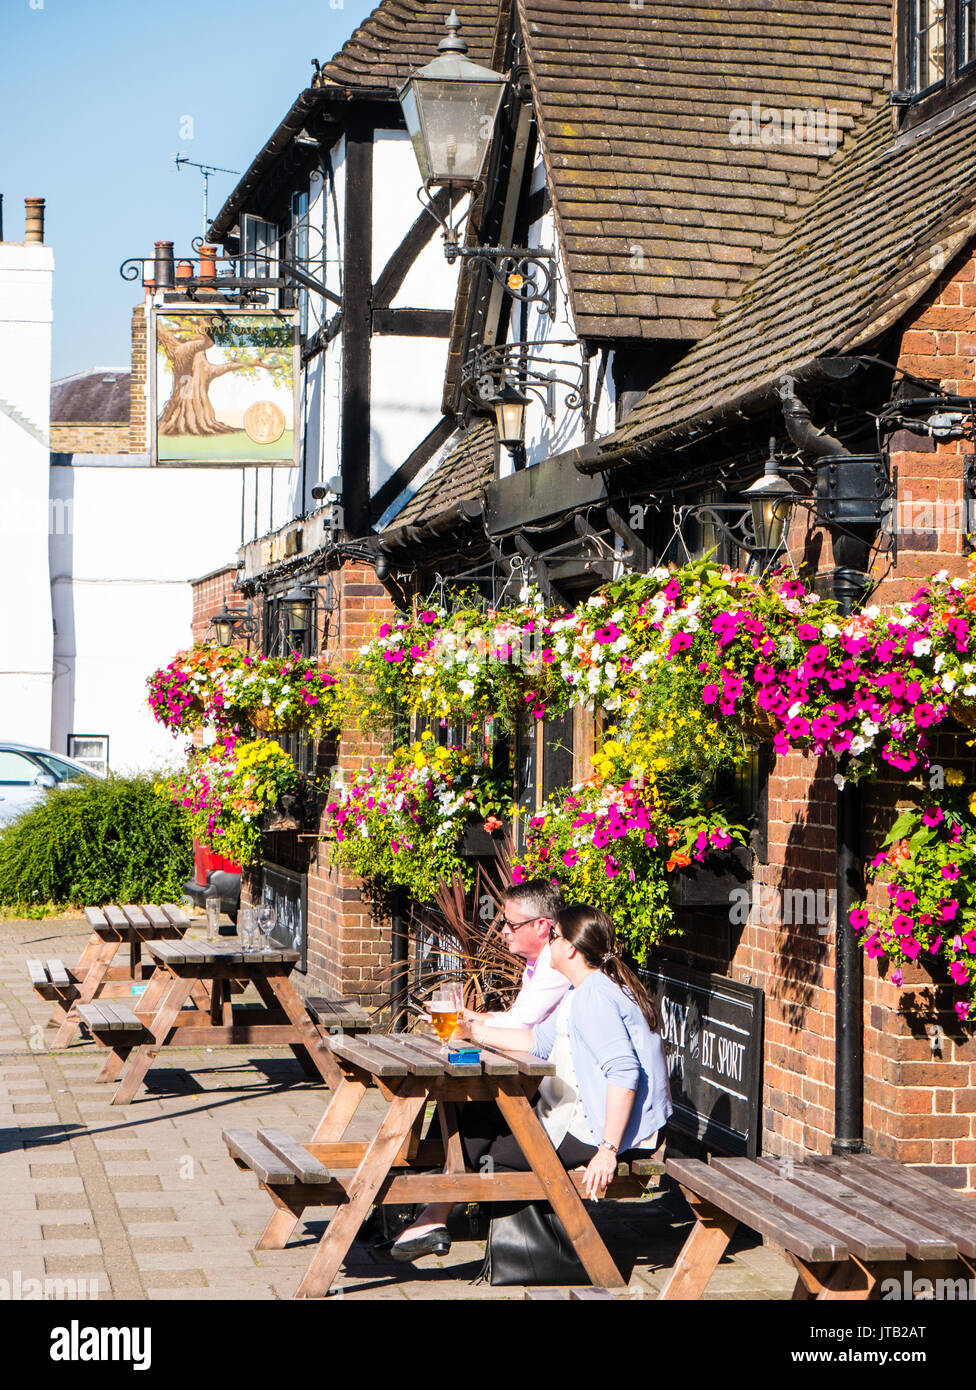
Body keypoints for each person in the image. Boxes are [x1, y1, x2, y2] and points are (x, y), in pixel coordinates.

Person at [390, 904, 672, 1262]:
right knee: (472, 1116)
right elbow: (538, 1042)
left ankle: (463, 1229)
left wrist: (607, 1151)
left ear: (570, 947)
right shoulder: (581, 990)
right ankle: (433, 1218)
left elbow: (624, 1073)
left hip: (597, 1130)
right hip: (573, 1115)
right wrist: (473, 1030)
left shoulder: (594, 997)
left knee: (489, 1156)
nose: (548, 943)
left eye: (553, 936)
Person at [472, 878, 569, 1031]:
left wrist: (468, 1023)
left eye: (512, 924)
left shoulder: (557, 962)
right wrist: (465, 1017)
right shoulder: (537, 959)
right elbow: (518, 1017)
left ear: (541, 925)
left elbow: (522, 1023)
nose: (504, 930)